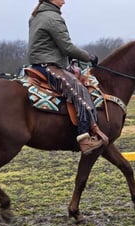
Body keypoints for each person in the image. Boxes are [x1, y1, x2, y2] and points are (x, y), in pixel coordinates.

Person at [28, 0, 108, 154]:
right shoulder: (53, 17)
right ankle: (84, 139)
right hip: (49, 66)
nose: (64, 1)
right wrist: (89, 57)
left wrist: (68, 59)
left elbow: (51, 45)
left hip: (39, 64)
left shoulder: (36, 16)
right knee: (80, 92)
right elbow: (67, 46)